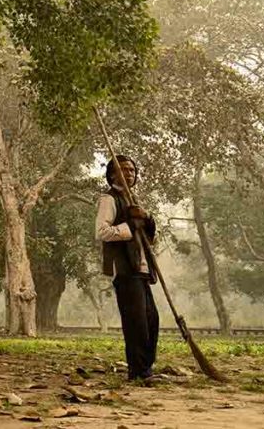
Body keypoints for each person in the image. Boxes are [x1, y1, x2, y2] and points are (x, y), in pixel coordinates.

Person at [95, 154, 159, 382]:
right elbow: (102, 232)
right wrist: (130, 225)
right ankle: (138, 372)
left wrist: (147, 218)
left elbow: (149, 237)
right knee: (136, 324)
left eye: (132, 170)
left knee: (151, 321)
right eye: (124, 170)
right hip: (125, 269)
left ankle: (146, 369)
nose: (129, 174)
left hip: (141, 268)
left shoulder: (134, 201)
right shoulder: (109, 199)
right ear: (113, 174)